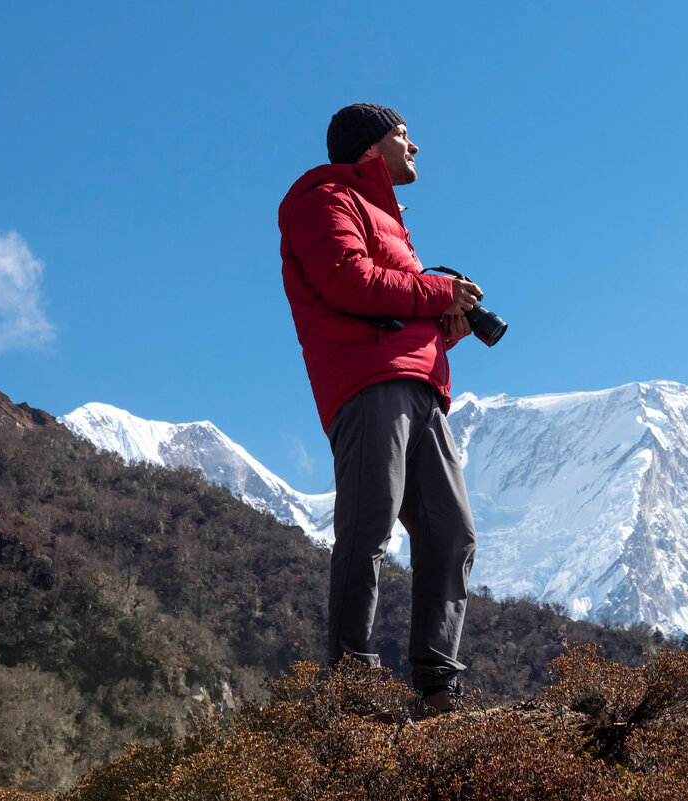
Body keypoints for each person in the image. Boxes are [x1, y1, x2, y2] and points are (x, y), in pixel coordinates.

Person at [278, 103, 479, 716]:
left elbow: (388, 310)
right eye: (404, 135)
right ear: (372, 145)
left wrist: (446, 329)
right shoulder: (322, 199)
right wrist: (441, 291)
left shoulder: (389, 218)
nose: (415, 147)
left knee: (452, 534)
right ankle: (352, 690)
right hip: (368, 384)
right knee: (368, 530)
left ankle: (437, 688)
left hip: (421, 385)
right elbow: (350, 283)